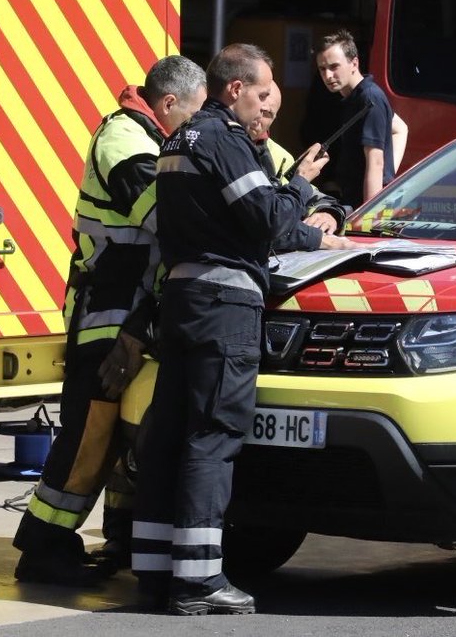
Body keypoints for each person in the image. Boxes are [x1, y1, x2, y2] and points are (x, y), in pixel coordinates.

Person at [131, 44, 328, 615]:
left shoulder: (176, 141)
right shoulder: (225, 140)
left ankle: (155, 568)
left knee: (169, 433)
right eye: (263, 93)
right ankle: (198, 580)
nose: (267, 107)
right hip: (225, 306)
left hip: (183, 300)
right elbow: (268, 220)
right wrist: (299, 186)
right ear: (235, 89)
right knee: (213, 437)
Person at [12, 56, 207, 586]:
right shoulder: (123, 138)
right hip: (106, 314)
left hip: (135, 315)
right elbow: (165, 214)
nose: (195, 127)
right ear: (168, 104)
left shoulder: (155, 137)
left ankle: (122, 532)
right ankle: (43, 545)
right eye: (192, 114)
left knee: (128, 430)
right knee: (90, 437)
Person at [250, 81, 354, 251]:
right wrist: (317, 239)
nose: (258, 118)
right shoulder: (224, 148)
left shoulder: (277, 154)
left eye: (268, 113)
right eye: (257, 108)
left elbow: (311, 196)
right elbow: (260, 224)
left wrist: (329, 214)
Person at [315, 30, 408, 207]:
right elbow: (400, 128)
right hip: (355, 199)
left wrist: (368, 217)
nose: (327, 76)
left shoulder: (369, 98)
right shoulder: (356, 97)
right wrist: (388, 175)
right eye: (322, 69)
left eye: (334, 67)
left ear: (354, 63)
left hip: (368, 209)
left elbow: (375, 161)